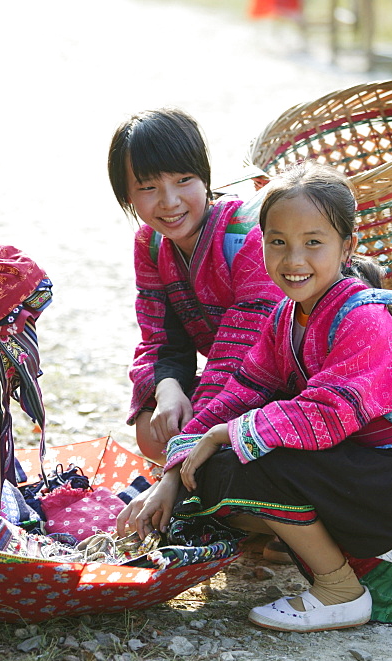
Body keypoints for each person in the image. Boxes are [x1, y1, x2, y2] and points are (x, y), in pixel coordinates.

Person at [116, 161, 392, 632]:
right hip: (351, 475)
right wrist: (173, 469)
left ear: (346, 246)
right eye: (278, 242)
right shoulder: (286, 318)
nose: (294, 260)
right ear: (260, 242)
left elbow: (325, 414)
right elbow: (239, 393)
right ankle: (303, 548)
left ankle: (339, 590)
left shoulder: (363, 321)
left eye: (314, 242)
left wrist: (224, 435)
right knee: (213, 467)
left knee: (248, 460)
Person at [107, 108, 284, 466]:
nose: (169, 202)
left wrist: (194, 431)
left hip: (283, 380)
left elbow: (243, 351)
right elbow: (159, 337)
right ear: (128, 197)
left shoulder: (246, 233)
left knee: (202, 447)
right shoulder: (151, 245)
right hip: (228, 381)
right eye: (148, 187)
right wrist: (167, 387)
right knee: (151, 427)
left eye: (184, 180)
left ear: (205, 178)